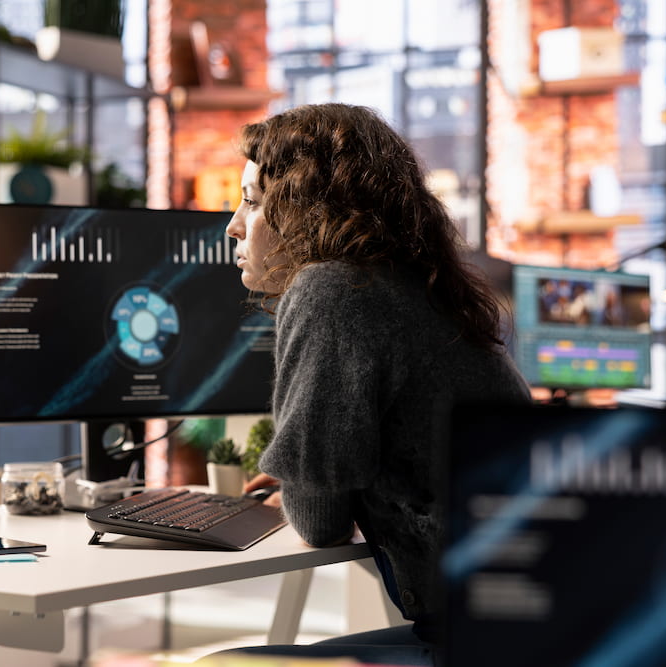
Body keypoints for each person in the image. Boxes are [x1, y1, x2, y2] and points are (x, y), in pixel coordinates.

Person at [216, 103, 533, 665]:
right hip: (520, 627)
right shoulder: (416, 288)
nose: (233, 225)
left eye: (253, 201)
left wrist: (308, 480)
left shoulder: (330, 290)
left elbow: (319, 523)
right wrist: (310, 474)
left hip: (490, 644)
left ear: (306, 210)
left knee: (221, 663)